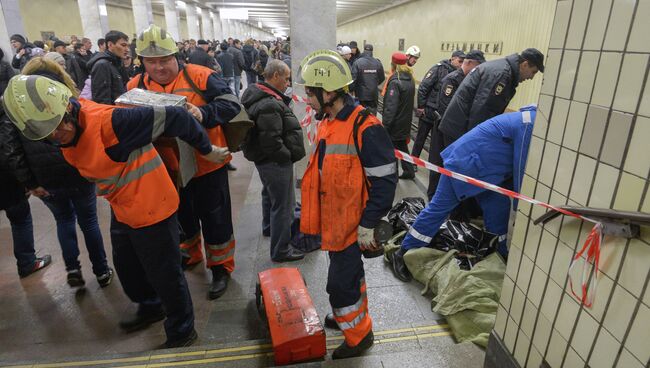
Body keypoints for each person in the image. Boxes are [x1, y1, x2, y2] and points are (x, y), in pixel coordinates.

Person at [3, 73, 230, 348]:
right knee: (128, 267)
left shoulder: (113, 122)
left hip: (152, 205)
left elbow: (178, 117)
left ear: (70, 107)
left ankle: (182, 331)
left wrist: (206, 149)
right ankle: (151, 306)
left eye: (59, 124)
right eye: (47, 133)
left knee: (165, 274)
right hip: (122, 203)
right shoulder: (56, 132)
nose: (56, 134)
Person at [128, 25, 242, 300]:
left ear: (176, 56)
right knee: (183, 218)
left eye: (165, 60)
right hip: (167, 170)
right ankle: (190, 254)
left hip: (207, 165)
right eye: (151, 62)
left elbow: (231, 104)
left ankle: (220, 268)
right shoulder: (135, 86)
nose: (159, 67)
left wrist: (202, 113)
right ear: (142, 62)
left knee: (216, 220)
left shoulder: (201, 76)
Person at [297, 49, 397, 359]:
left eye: (310, 91)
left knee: (340, 286)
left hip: (353, 224)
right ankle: (347, 317)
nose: (306, 97)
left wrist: (368, 224)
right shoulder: (330, 118)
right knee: (349, 277)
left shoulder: (365, 128)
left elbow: (385, 181)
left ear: (328, 92)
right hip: (336, 220)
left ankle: (358, 336)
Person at [389, 105, 537, 281]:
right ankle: (402, 252)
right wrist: (524, 208)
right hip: (465, 165)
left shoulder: (528, 120)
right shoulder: (529, 124)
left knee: (499, 214)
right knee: (438, 209)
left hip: (490, 173)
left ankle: (498, 256)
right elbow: (521, 167)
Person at [9, 57, 113, 288]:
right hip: (77, 171)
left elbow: (13, 149)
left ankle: (73, 268)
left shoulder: (19, 106)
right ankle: (102, 270)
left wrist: (30, 182)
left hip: (45, 179)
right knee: (89, 222)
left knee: (64, 221)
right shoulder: (66, 96)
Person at [241, 60, 306, 262]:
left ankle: (269, 228)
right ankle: (281, 250)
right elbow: (272, 140)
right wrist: (287, 156)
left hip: (264, 160)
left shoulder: (259, 93)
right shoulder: (268, 102)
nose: (288, 83)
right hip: (274, 161)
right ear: (275, 76)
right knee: (284, 205)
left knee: (269, 195)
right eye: (286, 79)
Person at [439, 48, 545, 144]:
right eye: (533, 72)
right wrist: (477, 140)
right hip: (460, 130)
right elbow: (481, 109)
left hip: (458, 126)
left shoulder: (502, 68)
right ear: (525, 64)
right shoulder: (502, 74)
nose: (531, 77)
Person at [1, 106, 52, 279]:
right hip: (7, 181)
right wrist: (27, 181)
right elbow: (10, 150)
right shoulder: (5, 110)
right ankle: (27, 263)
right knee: (20, 219)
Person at [412, 50, 465, 161]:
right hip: (429, 111)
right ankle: (413, 162)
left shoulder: (460, 75)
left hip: (441, 115)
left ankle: (432, 165)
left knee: (435, 143)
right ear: (452, 58)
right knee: (420, 139)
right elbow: (423, 87)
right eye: (460, 61)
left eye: (463, 62)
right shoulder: (438, 69)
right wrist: (421, 107)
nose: (461, 64)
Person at [382, 52, 416, 180]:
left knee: (391, 151)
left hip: (395, 124)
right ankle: (409, 171)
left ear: (393, 63)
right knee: (402, 148)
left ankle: (393, 175)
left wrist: (385, 125)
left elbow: (391, 107)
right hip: (405, 122)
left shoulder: (395, 81)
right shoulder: (410, 78)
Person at [88, 30, 130, 104]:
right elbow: (102, 101)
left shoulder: (117, 62)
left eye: (127, 46)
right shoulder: (102, 65)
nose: (127, 49)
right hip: (112, 113)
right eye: (123, 45)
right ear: (110, 45)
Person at [350, 44, 384, 115]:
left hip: (361, 95)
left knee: (361, 114)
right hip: (373, 95)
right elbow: (382, 78)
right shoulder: (378, 63)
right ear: (372, 51)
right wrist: (374, 84)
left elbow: (353, 79)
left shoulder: (357, 62)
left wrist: (352, 90)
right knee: (372, 115)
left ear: (364, 50)